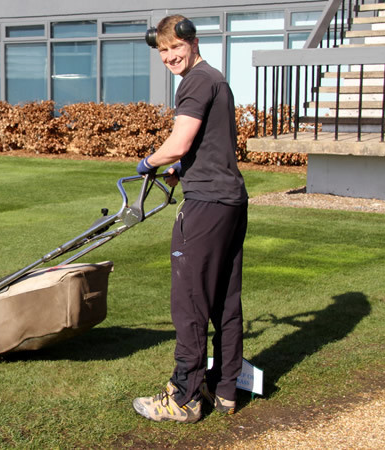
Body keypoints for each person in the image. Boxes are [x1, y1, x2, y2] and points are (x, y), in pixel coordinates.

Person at [131, 15, 249, 424]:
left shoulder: (195, 82)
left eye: (175, 48)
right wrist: (181, 169)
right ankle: (227, 389)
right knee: (224, 299)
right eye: (162, 50)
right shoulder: (217, 79)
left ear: (193, 42)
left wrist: (148, 161)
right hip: (231, 199)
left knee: (190, 301)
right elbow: (212, 144)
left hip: (207, 205)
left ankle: (184, 397)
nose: (169, 56)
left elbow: (179, 141)